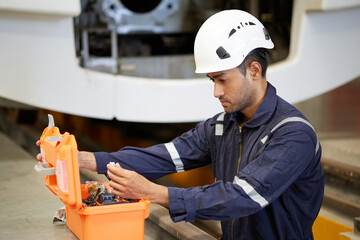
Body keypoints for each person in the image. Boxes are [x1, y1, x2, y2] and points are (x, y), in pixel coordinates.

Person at [37, 10, 324, 240]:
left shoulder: (292, 133)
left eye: (222, 79)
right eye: (212, 81)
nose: (216, 92)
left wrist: (156, 193)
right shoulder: (224, 125)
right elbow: (166, 156)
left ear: (254, 70)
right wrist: (82, 159)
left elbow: (242, 197)